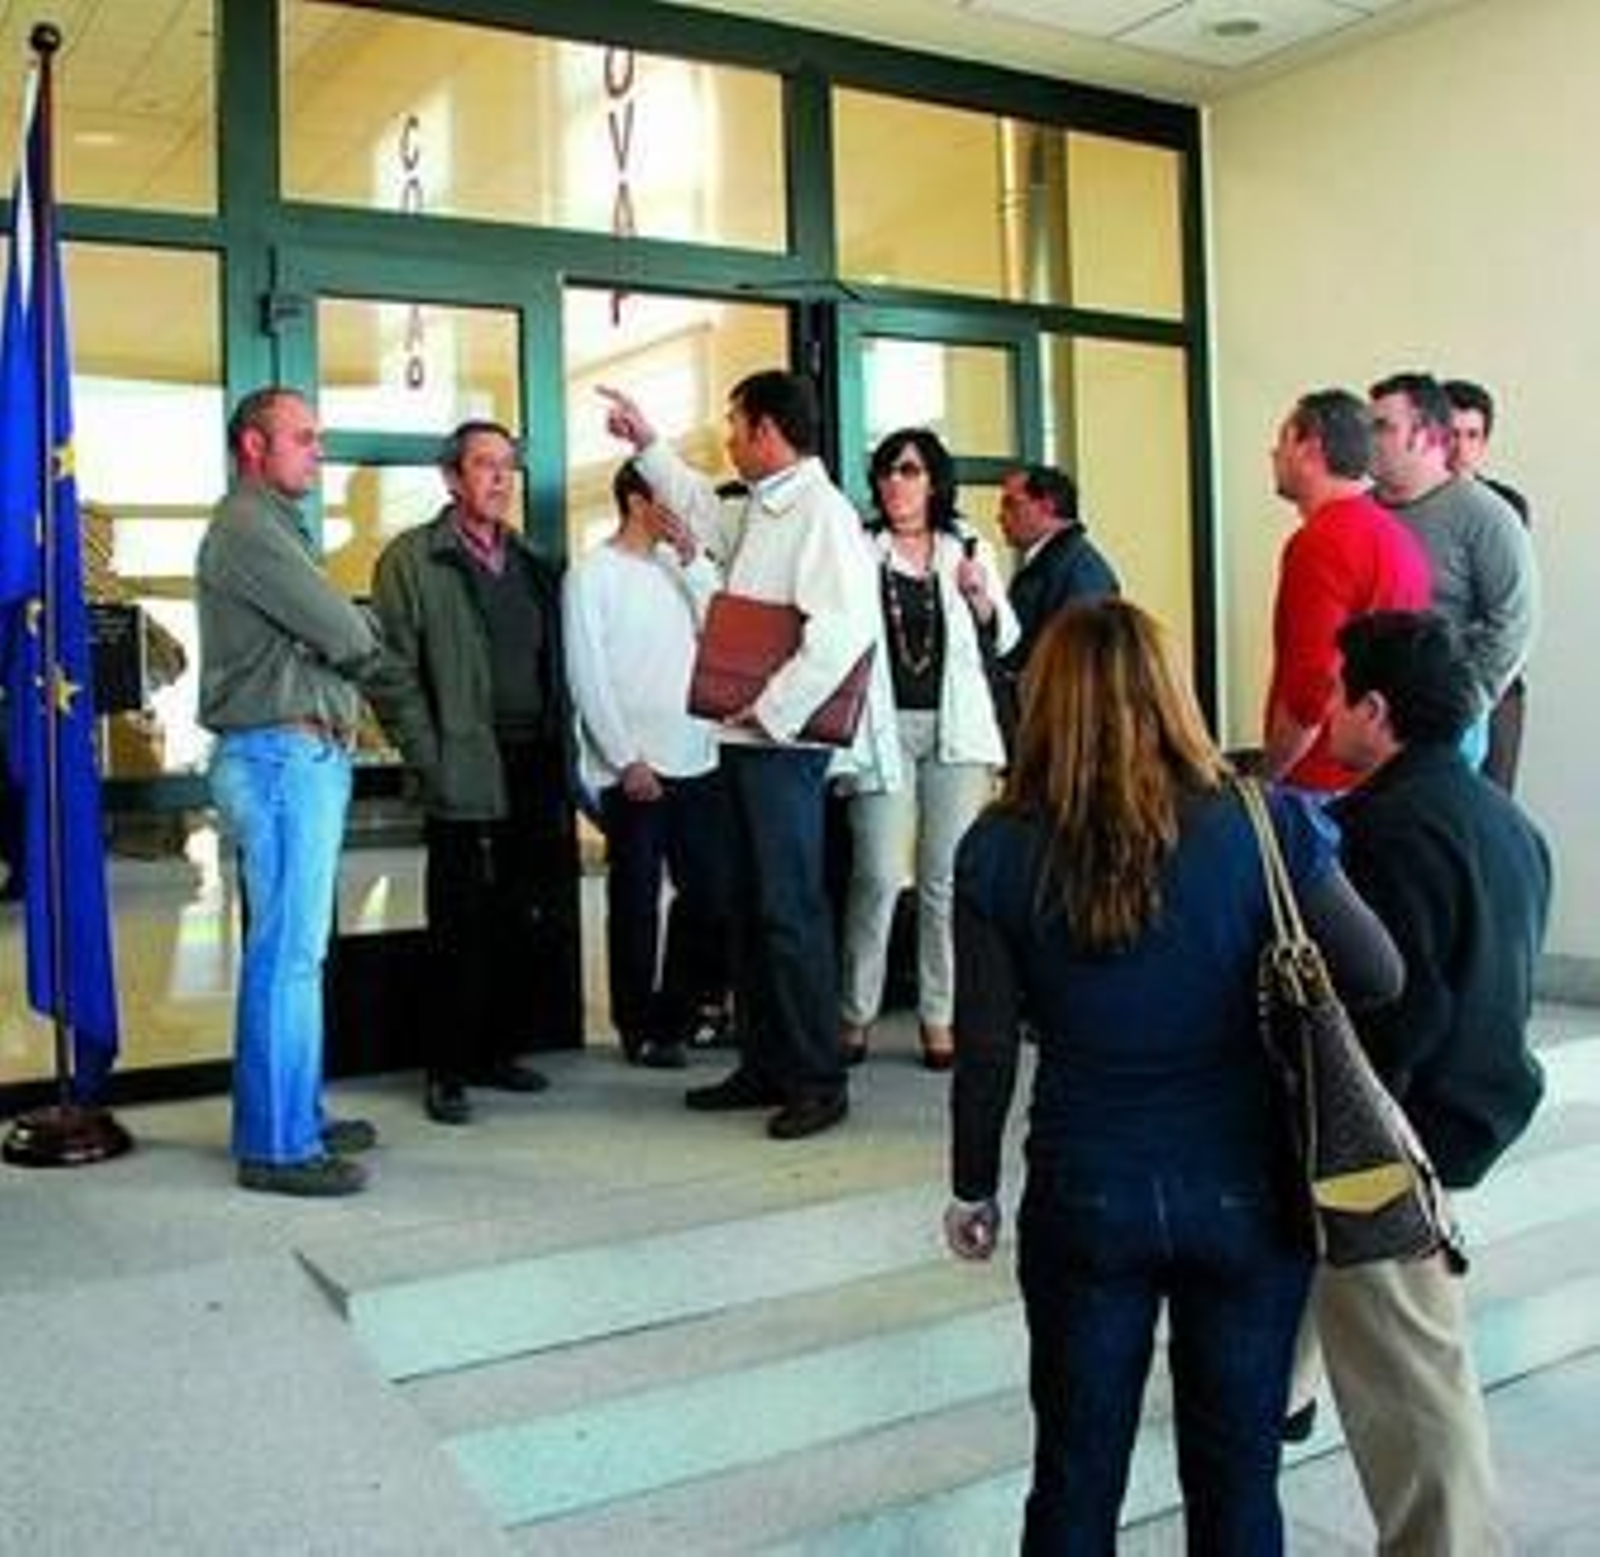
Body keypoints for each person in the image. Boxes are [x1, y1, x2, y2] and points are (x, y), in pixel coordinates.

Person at [945, 598, 1401, 1552]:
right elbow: (1376, 971)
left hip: (1085, 1186)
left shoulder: (998, 845)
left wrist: (972, 1187)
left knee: (1074, 1476)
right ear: (1171, 695)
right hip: (1248, 1186)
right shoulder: (1261, 822)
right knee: (1238, 1483)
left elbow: (983, 1046)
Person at [1303, 609, 1551, 1555]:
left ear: (1376, 707)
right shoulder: (1506, 821)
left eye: (1335, 694)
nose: (1323, 711)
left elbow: (1397, 1013)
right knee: (1353, 1303)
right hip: (1474, 1108)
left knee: (1413, 1380)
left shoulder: (1381, 831)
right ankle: (1280, 1401)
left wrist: (1357, 1147)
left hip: (1398, 1143)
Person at [601, 371, 879, 1141]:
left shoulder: (820, 512)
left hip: (780, 744)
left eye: (734, 424)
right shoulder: (764, 507)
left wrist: (774, 704)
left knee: (790, 912)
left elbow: (845, 628)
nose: (726, 439)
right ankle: (763, 1063)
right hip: (744, 738)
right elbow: (695, 508)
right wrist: (647, 443)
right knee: (751, 909)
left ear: (767, 430)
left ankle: (817, 1079)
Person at [367, 420, 579, 1126]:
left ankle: (497, 1049)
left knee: (522, 912)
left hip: (533, 763)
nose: (500, 479)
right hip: (462, 761)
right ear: (453, 478)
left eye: (508, 467)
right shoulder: (411, 560)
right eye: (485, 466)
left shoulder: (533, 563)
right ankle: (447, 1067)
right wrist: (428, 755)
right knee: (459, 917)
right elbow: (391, 674)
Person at [197, 387, 381, 1197]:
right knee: (288, 956)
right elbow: (347, 634)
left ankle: (292, 1112)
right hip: (278, 757)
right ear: (252, 446)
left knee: (296, 952)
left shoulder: (273, 526)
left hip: (292, 756)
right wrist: (345, 627)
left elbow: (329, 634)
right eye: (302, 438)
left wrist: (334, 629)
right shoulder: (247, 527)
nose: (318, 451)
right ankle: (277, 1145)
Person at [837, 427, 1016, 1070]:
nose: (894, 483)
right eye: (886, 472)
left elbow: (1006, 634)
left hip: (956, 733)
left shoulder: (967, 545)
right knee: (879, 875)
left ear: (934, 481)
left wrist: (978, 597)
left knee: (944, 881)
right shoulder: (860, 549)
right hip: (882, 729)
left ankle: (939, 1018)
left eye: (908, 471)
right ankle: (854, 1011)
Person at [563, 459, 732, 1071]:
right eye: (670, 502)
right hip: (632, 768)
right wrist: (623, 757)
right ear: (637, 502)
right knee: (635, 900)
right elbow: (588, 675)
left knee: (709, 892)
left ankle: (678, 1014)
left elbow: (721, 627)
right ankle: (637, 1026)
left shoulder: (680, 566)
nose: (682, 513)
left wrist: (692, 560)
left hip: (698, 756)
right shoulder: (592, 574)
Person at [1262, 388, 1431, 791]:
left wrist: (1266, 779)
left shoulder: (1320, 543)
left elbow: (1310, 692)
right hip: (1385, 778)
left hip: (1321, 785)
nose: (1273, 454)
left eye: (1283, 440)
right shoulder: (1400, 540)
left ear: (1310, 449)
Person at [1367, 372, 1537, 769]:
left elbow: (1514, 620)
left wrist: (1465, 702)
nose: (1369, 439)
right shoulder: (1364, 512)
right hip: (1375, 718)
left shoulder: (1489, 513)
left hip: (1457, 715)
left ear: (1423, 434)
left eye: (1383, 427)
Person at [1444, 377, 1533, 795]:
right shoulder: (1402, 503)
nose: (1460, 447)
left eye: (1472, 435)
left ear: (1484, 442)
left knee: (1494, 808)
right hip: (1425, 688)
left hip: (1495, 689)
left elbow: (1504, 612)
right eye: (1451, 434)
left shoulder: (1504, 508)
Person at [992, 464, 1119, 749]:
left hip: (1063, 732)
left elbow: (1083, 666)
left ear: (1047, 506)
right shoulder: (1056, 562)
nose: (1000, 516)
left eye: (1011, 504)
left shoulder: (1079, 570)